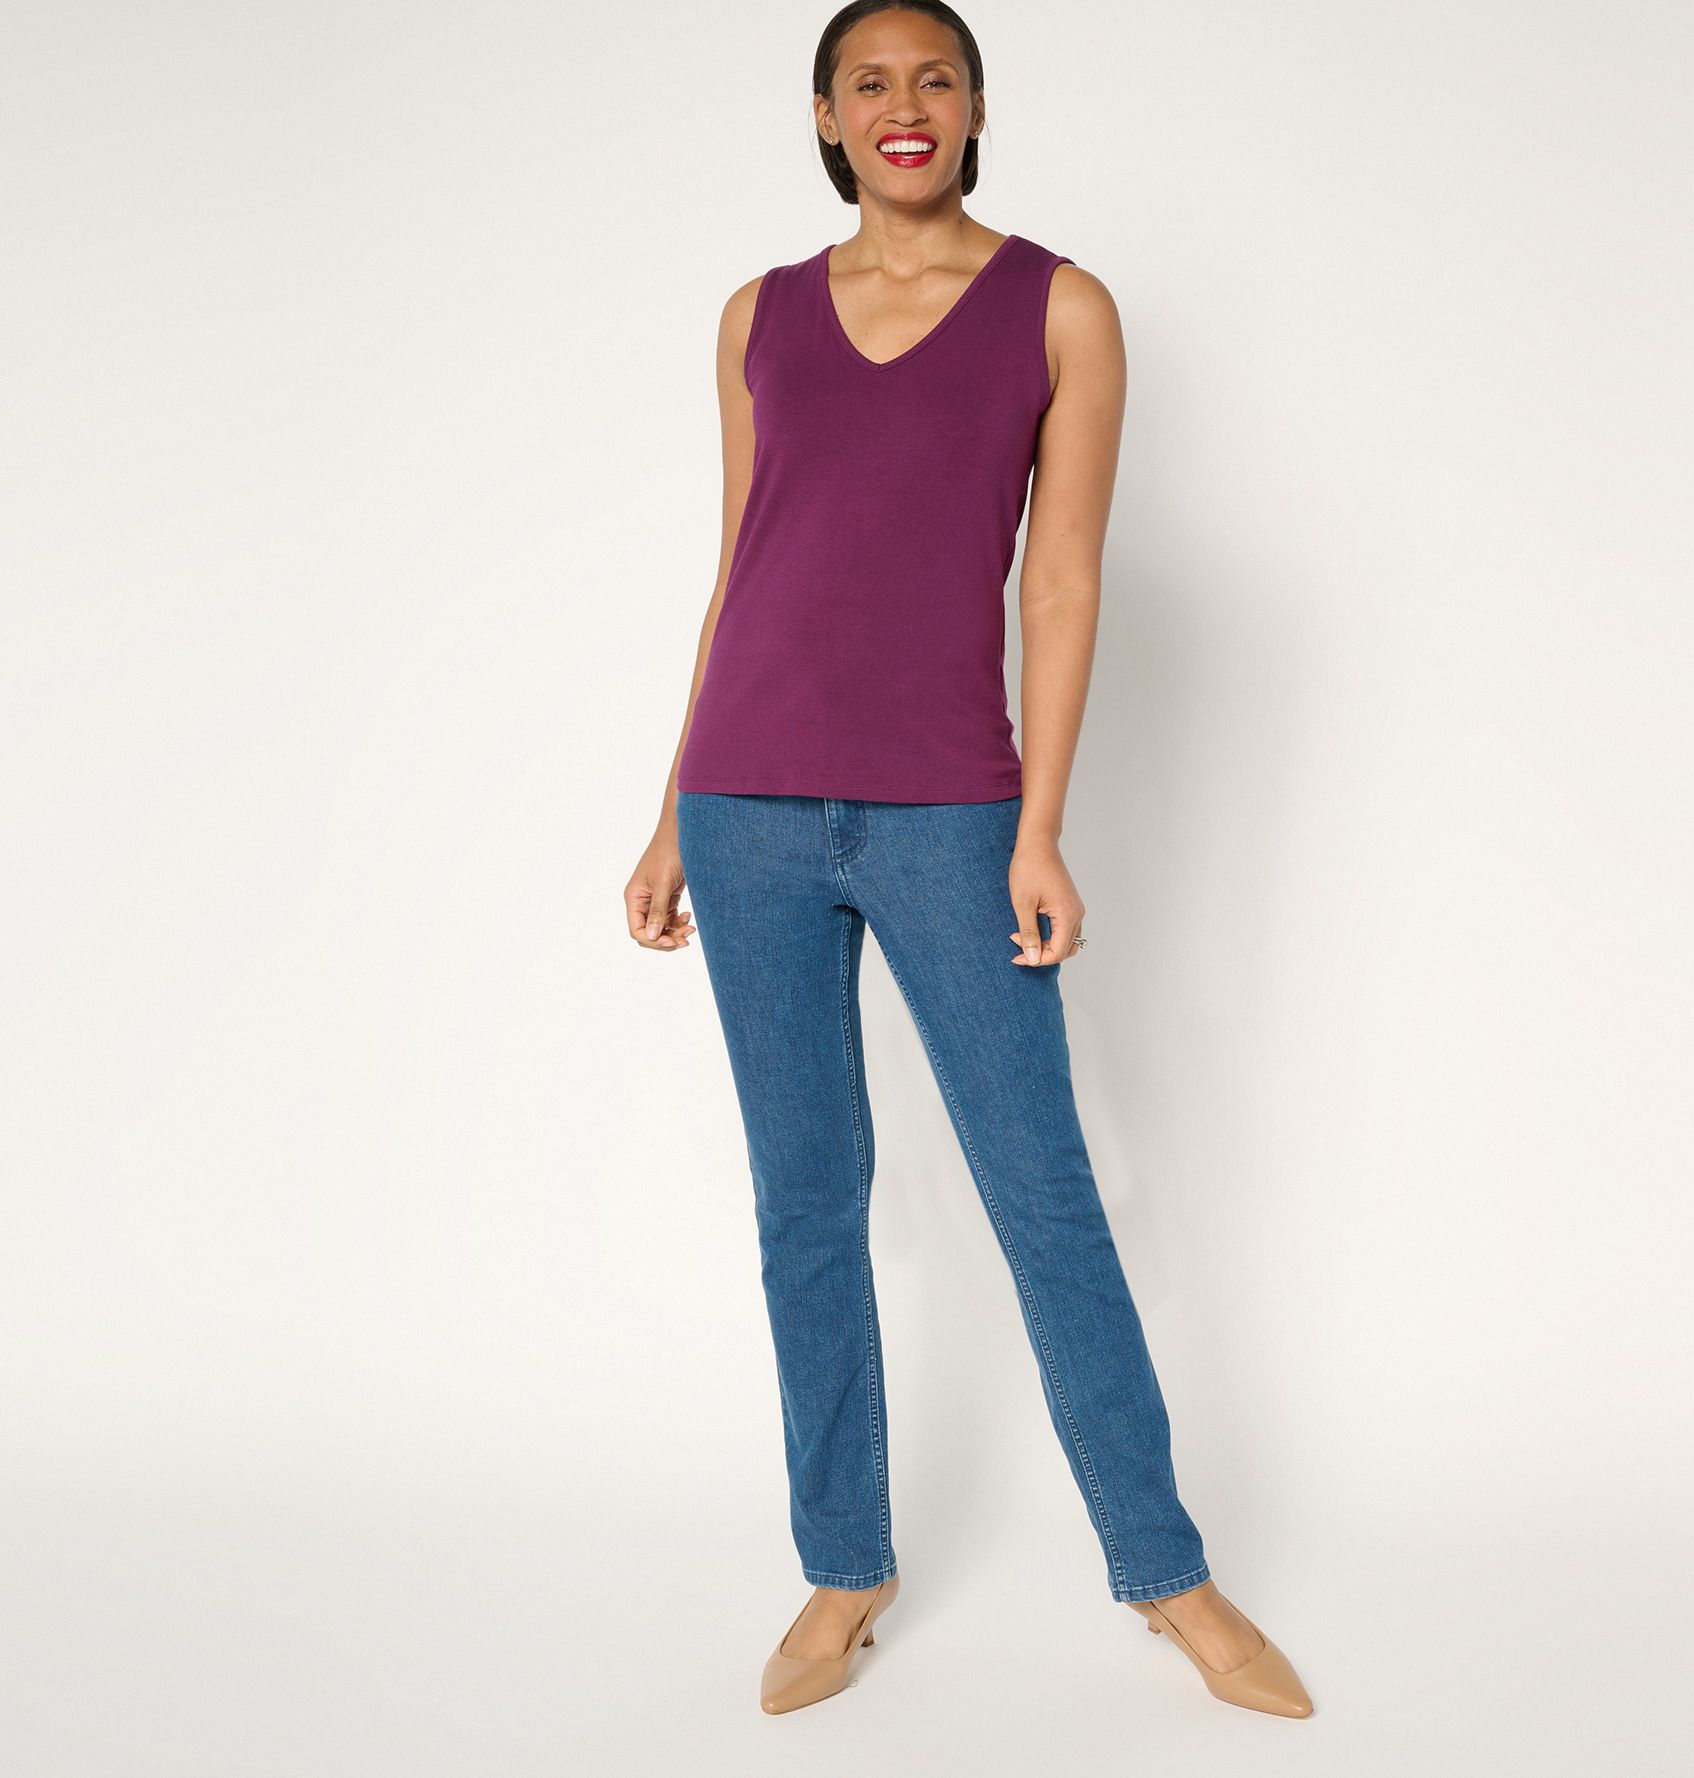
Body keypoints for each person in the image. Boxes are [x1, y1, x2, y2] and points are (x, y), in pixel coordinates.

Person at [622, 1, 1313, 1720]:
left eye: (935, 76)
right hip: (748, 805)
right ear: (826, 118)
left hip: (947, 812)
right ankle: (844, 1561)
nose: (904, 103)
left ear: (978, 106)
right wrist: (672, 803)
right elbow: (739, 565)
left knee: (1040, 1190)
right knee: (804, 1199)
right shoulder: (757, 315)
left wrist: (1040, 823)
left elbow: (1060, 579)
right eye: (870, 82)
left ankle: (1163, 1566)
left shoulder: (1061, 308)